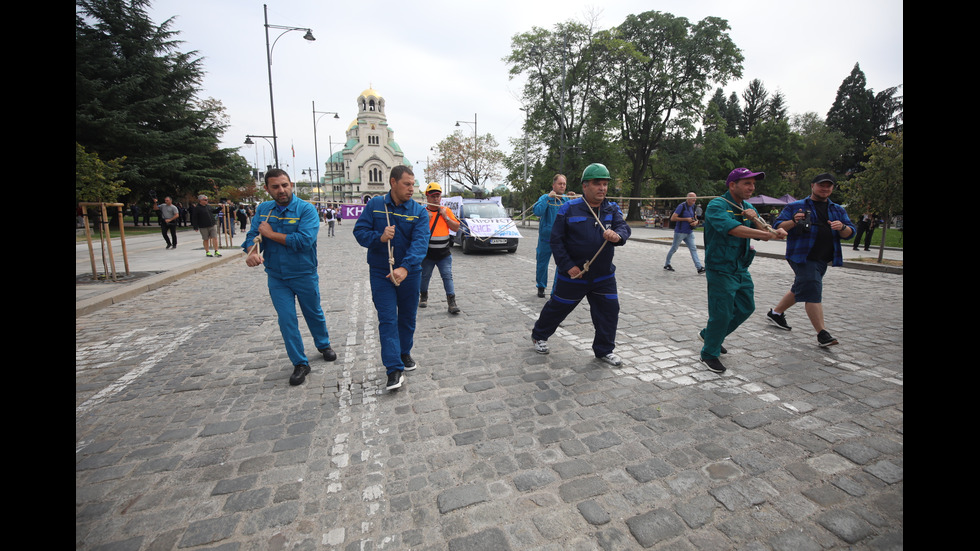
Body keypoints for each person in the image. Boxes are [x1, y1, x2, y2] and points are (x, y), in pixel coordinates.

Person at [243, 168, 337, 386]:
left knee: (313, 313)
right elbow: (252, 236)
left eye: (285, 185)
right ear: (267, 189)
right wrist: (252, 252)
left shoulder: (306, 210)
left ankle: (323, 344)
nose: (281, 190)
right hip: (277, 277)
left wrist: (270, 234)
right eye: (275, 186)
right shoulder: (264, 210)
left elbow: (304, 241)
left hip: (304, 273)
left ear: (291, 185)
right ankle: (300, 363)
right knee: (287, 320)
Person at [530, 163, 630, 366]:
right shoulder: (568, 208)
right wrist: (568, 266)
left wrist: (618, 236)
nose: (602, 188)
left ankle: (604, 350)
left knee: (609, 312)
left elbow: (623, 228)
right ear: (585, 186)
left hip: (603, 276)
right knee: (558, 307)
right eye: (597, 184)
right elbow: (556, 241)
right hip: (574, 275)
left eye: (605, 184)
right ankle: (539, 335)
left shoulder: (611, 208)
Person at [699, 167, 787, 374]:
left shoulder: (748, 207)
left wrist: (774, 230)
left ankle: (710, 335)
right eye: (747, 183)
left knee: (746, 307)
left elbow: (764, 230)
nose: (752, 187)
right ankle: (709, 353)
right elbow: (733, 229)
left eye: (753, 184)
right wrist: (767, 235)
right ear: (732, 185)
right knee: (722, 313)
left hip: (741, 267)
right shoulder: (717, 205)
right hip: (720, 267)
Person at [353, 166, 430, 391]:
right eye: (406, 184)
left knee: (407, 318)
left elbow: (420, 242)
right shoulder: (375, 205)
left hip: (410, 273)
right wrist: (379, 237)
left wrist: (405, 267)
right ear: (393, 182)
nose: (411, 188)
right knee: (387, 319)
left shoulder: (419, 211)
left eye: (413, 184)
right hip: (380, 272)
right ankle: (393, 369)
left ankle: (404, 352)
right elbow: (359, 233)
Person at [766, 173, 855, 347]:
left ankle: (776, 313)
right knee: (813, 289)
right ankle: (822, 333)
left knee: (802, 286)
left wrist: (842, 227)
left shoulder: (837, 209)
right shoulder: (796, 206)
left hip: (824, 258)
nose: (825, 188)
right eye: (821, 185)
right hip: (802, 256)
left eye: (829, 186)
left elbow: (850, 232)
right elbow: (777, 226)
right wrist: (793, 221)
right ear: (813, 186)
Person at [419, 182, 462, 314]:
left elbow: (456, 227)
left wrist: (446, 217)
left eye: (438, 196)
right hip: (428, 254)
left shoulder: (446, 211)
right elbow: (416, 232)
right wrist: (425, 220)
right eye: (433, 196)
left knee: (447, 276)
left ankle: (451, 302)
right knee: (425, 277)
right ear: (427, 197)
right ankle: (424, 296)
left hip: (444, 254)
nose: (436, 198)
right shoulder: (422, 212)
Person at [533, 174, 575, 297]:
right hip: (546, 239)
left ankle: (555, 290)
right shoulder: (545, 197)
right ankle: (541, 286)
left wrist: (573, 200)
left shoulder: (566, 200)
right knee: (542, 264)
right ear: (553, 185)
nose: (562, 186)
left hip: (561, 240)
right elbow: (537, 211)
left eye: (564, 184)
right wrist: (547, 199)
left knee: (561, 266)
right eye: (560, 183)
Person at [663, 192, 704, 273]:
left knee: (693, 249)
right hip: (680, 232)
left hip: (689, 232)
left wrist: (695, 222)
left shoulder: (693, 207)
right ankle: (667, 264)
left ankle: (699, 267)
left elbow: (695, 217)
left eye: (695, 198)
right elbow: (673, 218)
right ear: (688, 199)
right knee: (674, 248)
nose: (694, 200)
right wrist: (686, 219)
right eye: (693, 198)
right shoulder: (681, 206)